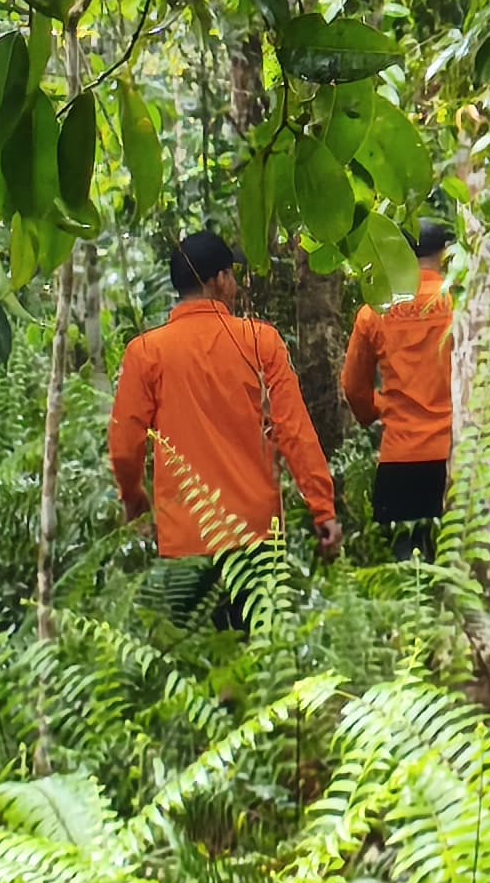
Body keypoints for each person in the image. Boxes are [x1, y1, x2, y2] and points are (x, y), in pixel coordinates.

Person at [111, 229, 337, 630]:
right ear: (219, 280)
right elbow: (295, 431)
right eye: (231, 275)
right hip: (256, 536)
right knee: (262, 660)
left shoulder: (146, 352)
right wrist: (322, 507)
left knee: (199, 669)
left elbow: (125, 445)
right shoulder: (259, 341)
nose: (234, 285)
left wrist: (134, 497)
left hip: (186, 538)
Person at [343, 220, 457, 554]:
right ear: (446, 254)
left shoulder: (374, 311)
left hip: (401, 459)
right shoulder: (461, 304)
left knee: (405, 582)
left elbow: (353, 387)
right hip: (456, 455)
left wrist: (379, 410)